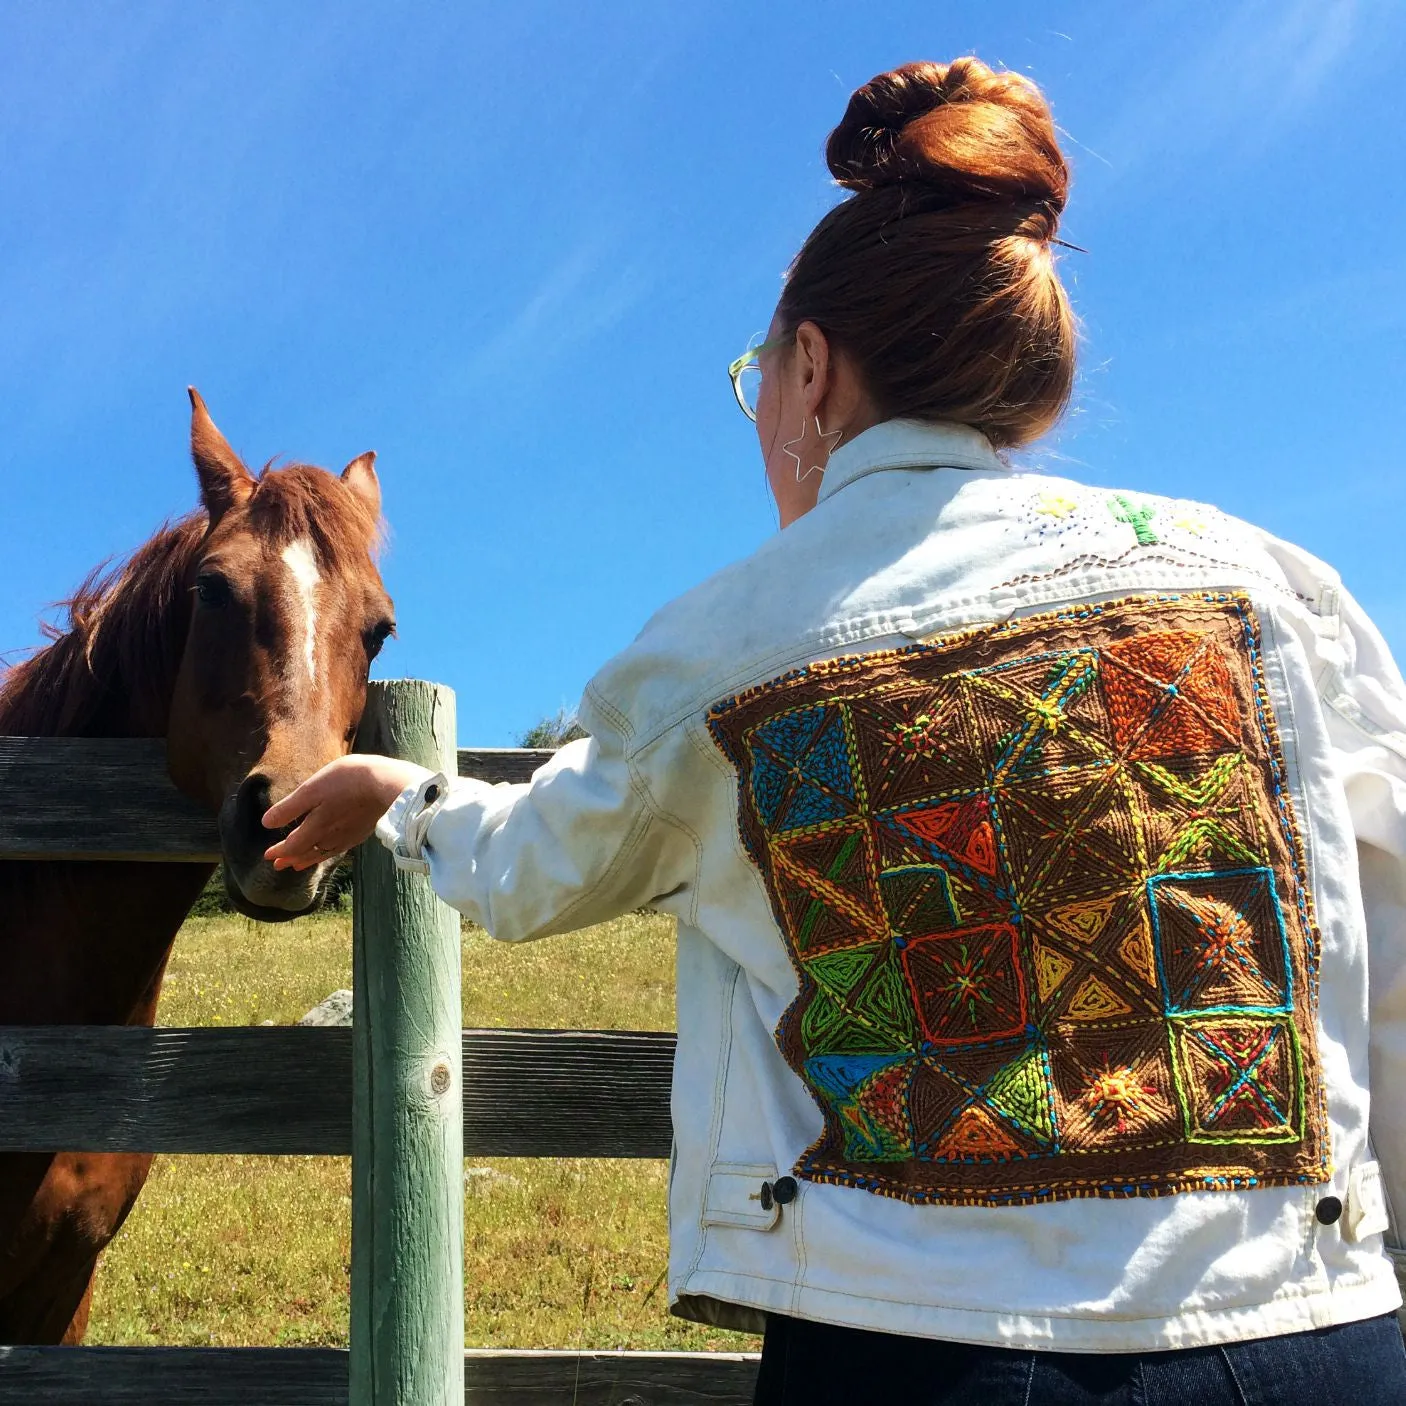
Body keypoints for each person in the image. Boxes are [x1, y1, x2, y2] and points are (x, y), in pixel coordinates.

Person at [262, 57, 1406, 1406]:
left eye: (757, 376)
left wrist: (405, 798)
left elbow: (534, 863)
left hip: (913, 1349)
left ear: (810, 369)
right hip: (1307, 1329)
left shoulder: (727, 641)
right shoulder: (1263, 581)